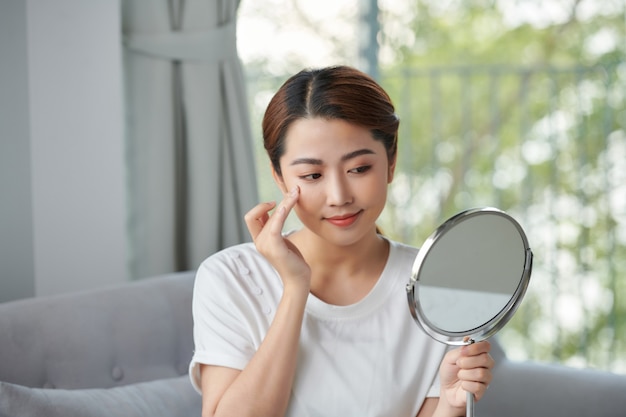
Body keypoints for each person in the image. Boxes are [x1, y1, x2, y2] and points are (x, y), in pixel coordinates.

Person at [189, 65, 494, 417]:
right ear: (279, 177)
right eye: (312, 175)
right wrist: (294, 287)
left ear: (391, 161)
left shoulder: (437, 286)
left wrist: (451, 404)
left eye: (359, 169)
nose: (338, 196)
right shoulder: (232, 277)